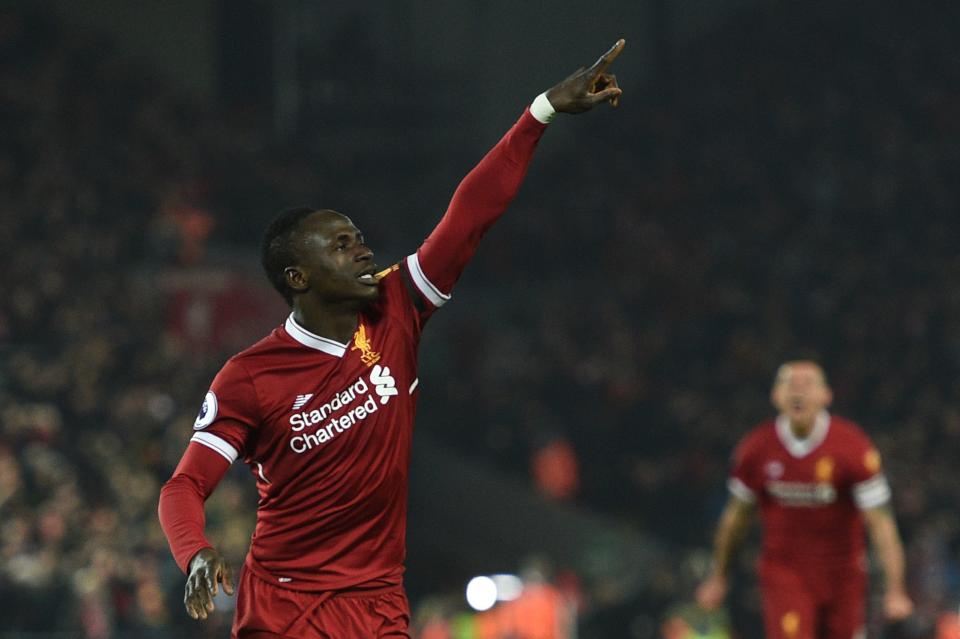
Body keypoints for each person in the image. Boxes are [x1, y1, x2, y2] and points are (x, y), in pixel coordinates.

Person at [157, 39, 626, 639]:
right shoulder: (250, 377)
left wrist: (539, 113)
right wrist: (195, 552)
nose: (364, 249)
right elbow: (186, 484)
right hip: (284, 610)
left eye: (358, 237)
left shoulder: (396, 306)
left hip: (378, 605)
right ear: (297, 277)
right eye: (342, 244)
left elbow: (470, 214)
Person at [695, 360, 914, 639]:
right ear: (775, 395)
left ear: (826, 395)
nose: (798, 392)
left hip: (843, 577)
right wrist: (718, 576)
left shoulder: (852, 447)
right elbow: (735, 519)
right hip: (785, 574)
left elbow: (881, 524)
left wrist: (896, 590)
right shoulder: (756, 449)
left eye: (807, 384)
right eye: (790, 384)